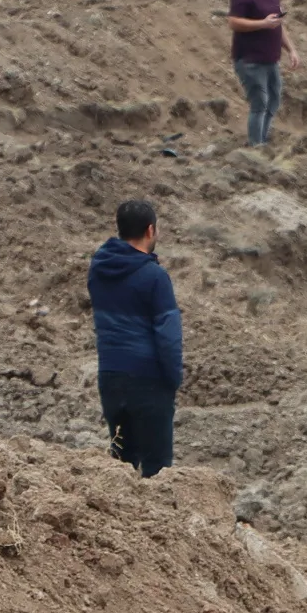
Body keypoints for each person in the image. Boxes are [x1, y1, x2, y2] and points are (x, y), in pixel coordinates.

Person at [89, 198, 183, 479]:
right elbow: (168, 336)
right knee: (158, 471)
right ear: (150, 230)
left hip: (110, 379)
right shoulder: (155, 277)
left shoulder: (97, 270)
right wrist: (173, 378)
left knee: (120, 467)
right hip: (149, 383)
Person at [225, 0, 299, 147]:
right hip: (249, 61)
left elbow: (277, 25)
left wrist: (291, 49)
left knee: (273, 102)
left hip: (271, 60)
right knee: (259, 104)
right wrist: (262, 24)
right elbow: (233, 22)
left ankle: (262, 140)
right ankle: (256, 146)